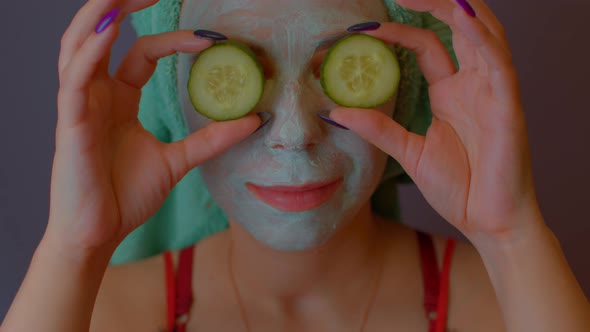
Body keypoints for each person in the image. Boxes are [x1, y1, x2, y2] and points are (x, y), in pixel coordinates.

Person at [1, 0, 589, 331]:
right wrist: (72, 249)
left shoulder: (504, 308)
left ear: (407, 89)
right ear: (168, 99)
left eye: (342, 71)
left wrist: (513, 237)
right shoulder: (98, 315)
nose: (294, 134)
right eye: (233, 75)